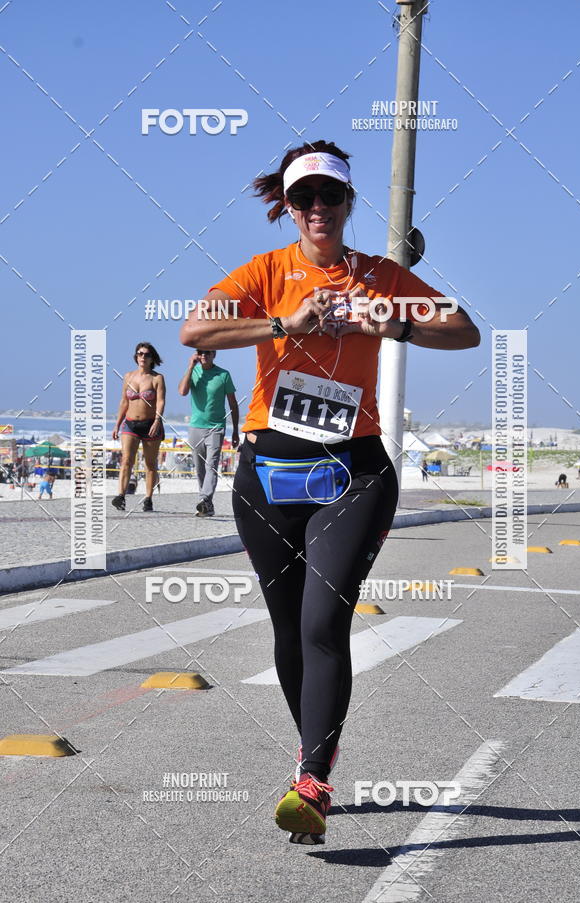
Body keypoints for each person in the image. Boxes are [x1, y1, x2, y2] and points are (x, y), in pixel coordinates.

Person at [180, 140, 480, 843]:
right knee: (289, 630)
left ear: (349, 204)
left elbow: (464, 330)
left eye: (330, 196)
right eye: (304, 198)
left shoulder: (381, 275)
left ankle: (311, 781)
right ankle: (313, 751)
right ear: (288, 208)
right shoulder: (265, 272)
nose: (318, 208)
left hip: (354, 472)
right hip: (267, 476)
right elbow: (197, 329)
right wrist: (286, 323)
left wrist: (394, 322)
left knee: (323, 621)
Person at [178, 349, 239, 517]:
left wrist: (235, 431)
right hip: (195, 427)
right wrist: (190, 366)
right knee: (200, 469)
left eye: (207, 352)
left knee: (211, 465)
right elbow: (182, 392)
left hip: (216, 427)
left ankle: (204, 499)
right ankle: (208, 505)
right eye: (200, 352)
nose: (203, 355)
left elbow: (233, 404)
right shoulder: (193, 371)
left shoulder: (223, 375)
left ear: (214, 354)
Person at [111, 342, 165, 512]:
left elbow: (161, 401)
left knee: (150, 464)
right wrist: (117, 424)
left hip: (150, 425)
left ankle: (148, 498)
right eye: (140, 353)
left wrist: (157, 421)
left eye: (146, 354)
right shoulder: (128, 376)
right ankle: (121, 496)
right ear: (136, 356)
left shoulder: (157, 378)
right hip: (130, 424)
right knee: (126, 460)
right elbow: (124, 401)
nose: (143, 357)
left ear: (152, 358)